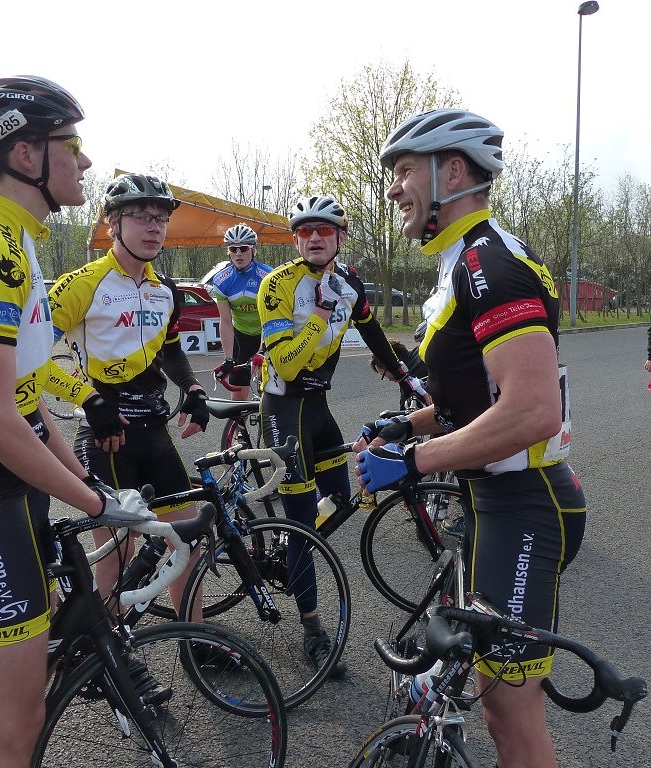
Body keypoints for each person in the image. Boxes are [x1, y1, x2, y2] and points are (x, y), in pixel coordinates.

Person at [0, 77, 153, 768]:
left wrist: (87, 482)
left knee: (29, 684)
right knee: (19, 728)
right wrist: (97, 501)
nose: (83, 163)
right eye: (70, 146)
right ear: (26, 155)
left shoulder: (17, 244)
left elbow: (25, 400)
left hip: (7, 494)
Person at [354, 108, 586, 768]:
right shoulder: (460, 265)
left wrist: (414, 461)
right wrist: (402, 426)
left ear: (451, 171)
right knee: (493, 702)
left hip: (526, 506)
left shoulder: (489, 265)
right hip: (493, 502)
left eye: (402, 171)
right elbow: (472, 402)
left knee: (509, 716)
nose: (394, 188)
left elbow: (531, 409)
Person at [257, 194, 425, 677]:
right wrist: (317, 317)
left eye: (324, 231)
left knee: (342, 497)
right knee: (302, 523)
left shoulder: (350, 283)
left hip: (319, 409)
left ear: (340, 238)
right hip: (284, 408)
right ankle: (311, 627)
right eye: (305, 231)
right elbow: (286, 363)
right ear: (295, 239)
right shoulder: (278, 285)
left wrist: (403, 374)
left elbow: (372, 333)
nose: (314, 238)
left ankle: (292, 553)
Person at [47, 173, 210, 626]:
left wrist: (192, 388)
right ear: (112, 223)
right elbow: (29, 357)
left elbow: (170, 347)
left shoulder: (164, 290)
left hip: (154, 434)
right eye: (140, 216)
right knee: (117, 557)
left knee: (185, 544)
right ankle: (111, 659)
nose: (153, 226)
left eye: (160, 218)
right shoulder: (84, 283)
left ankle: (194, 641)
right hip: (106, 440)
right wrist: (89, 400)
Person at [211, 224, 272, 400]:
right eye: (233, 249)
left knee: (270, 394)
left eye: (243, 248)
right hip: (241, 337)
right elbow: (225, 321)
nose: (238, 253)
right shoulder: (222, 280)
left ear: (254, 249)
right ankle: (238, 428)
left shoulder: (267, 276)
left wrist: (262, 351)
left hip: (266, 334)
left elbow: (270, 320)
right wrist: (228, 359)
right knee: (237, 399)